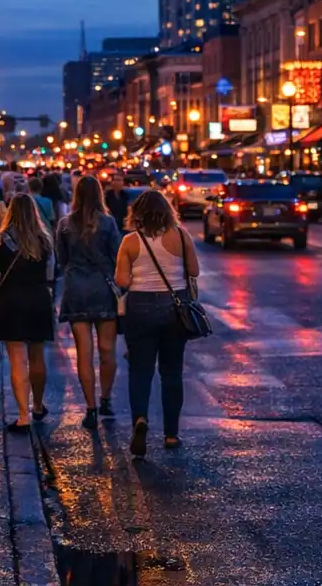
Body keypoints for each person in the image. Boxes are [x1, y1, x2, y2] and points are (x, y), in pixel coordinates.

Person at [114, 189, 200, 458]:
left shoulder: (130, 241)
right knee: (172, 372)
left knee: (140, 370)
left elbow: (122, 281)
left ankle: (140, 419)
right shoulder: (182, 235)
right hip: (175, 309)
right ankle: (171, 434)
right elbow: (194, 271)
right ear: (167, 210)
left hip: (140, 307)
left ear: (137, 214)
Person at [56, 175, 121, 429]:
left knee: (84, 352)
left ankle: (91, 408)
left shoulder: (64, 225)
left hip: (76, 289)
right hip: (103, 289)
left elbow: (62, 259)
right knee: (107, 349)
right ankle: (106, 399)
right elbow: (116, 256)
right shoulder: (108, 223)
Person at [0, 195, 56, 432]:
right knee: (37, 355)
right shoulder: (44, 239)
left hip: (10, 299)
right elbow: (51, 273)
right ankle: (37, 404)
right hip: (38, 299)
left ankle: (23, 415)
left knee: (17, 358)